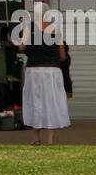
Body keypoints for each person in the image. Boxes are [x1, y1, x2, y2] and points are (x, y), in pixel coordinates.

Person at [19, 16, 70, 145]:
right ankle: (50, 139)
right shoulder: (55, 30)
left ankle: (36, 137)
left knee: (35, 101)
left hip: (34, 69)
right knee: (52, 102)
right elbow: (63, 56)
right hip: (52, 70)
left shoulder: (29, 28)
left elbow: (21, 48)